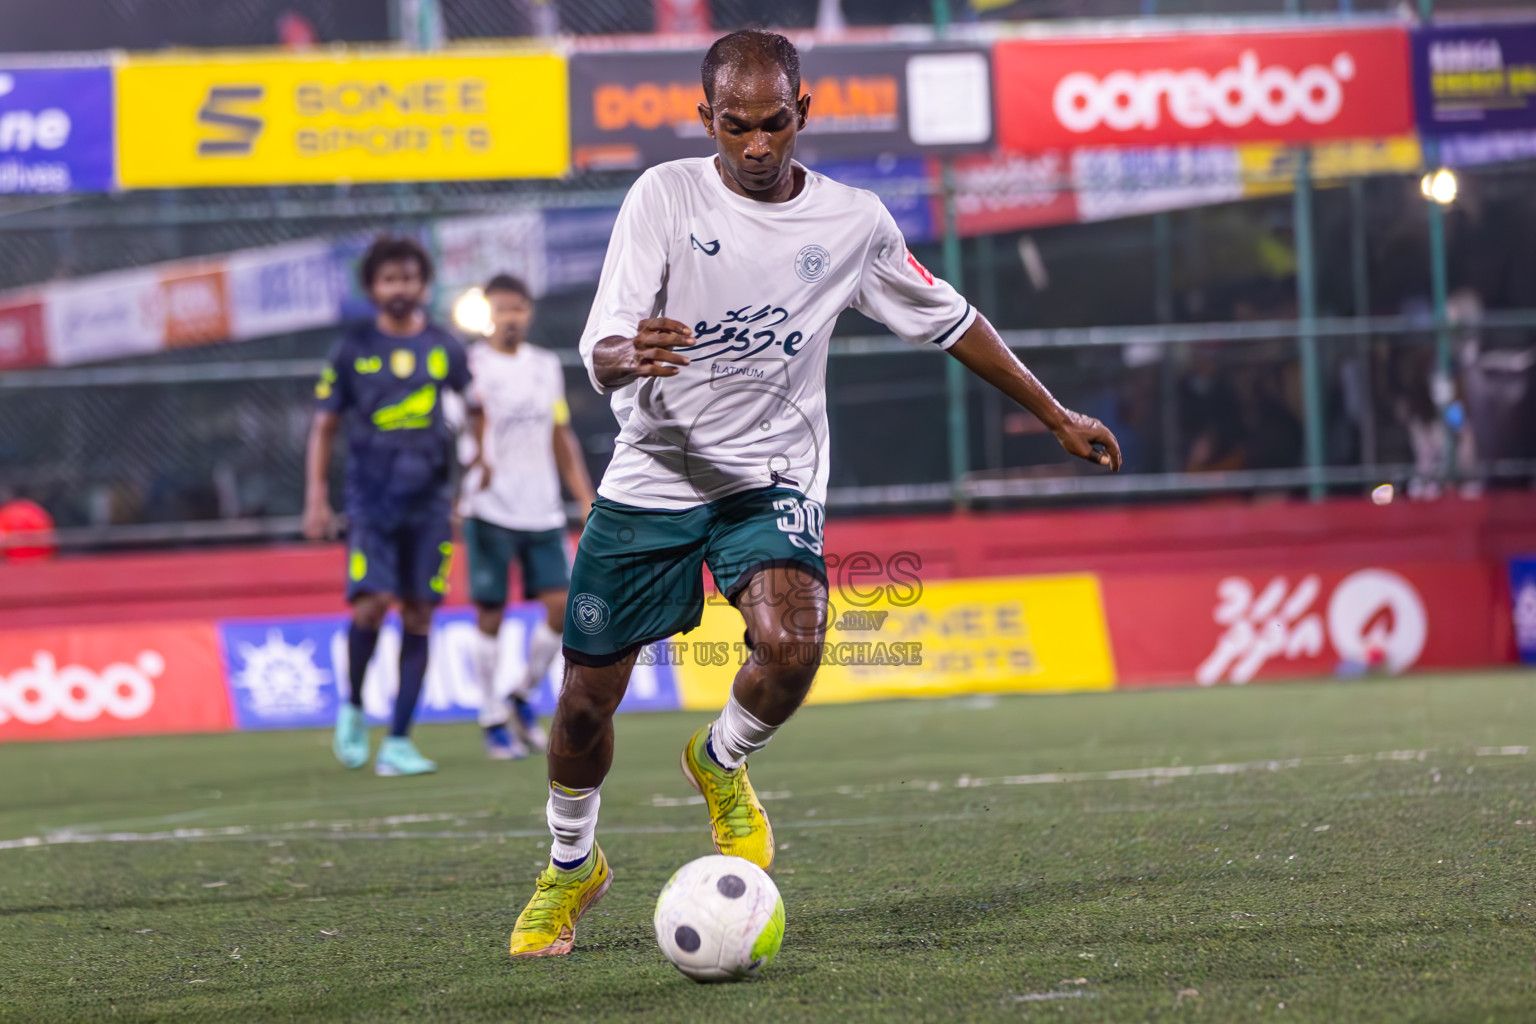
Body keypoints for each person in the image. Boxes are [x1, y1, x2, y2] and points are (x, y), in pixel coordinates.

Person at [507, 30, 1120, 958]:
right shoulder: (663, 196)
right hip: (655, 474)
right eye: (737, 127)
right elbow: (601, 346)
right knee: (586, 703)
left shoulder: (854, 222)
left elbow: (951, 318)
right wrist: (630, 351)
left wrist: (1054, 413)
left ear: (805, 113)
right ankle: (570, 865)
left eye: (775, 124)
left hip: (772, 476)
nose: (757, 147)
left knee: (793, 644)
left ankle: (719, 761)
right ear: (705, 118)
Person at [302, 236, 472, 777]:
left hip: (430, 504)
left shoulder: (446, 346)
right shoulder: (351, 350)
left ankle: (398, 741)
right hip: (371, 503)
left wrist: (470, 478)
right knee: (371, 605)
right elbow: (324, 427)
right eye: (389, 279)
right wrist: (316, 498)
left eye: (409, 278)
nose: (400, 287)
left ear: (424, 285)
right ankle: (353, 706)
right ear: (372, 287)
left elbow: (476, 412)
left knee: (420, 614)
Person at [459, 274, 596, 761]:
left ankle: (519, 694)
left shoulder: (544, 366)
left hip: (541, 509)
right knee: (490, 613)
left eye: (517, 308)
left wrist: (584, 495)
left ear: (528, 312)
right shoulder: (471, 365)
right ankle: (491, 715)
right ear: (488, 314)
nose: (509, 317)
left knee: (562, 610)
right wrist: (466, 475)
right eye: (501, 309)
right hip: (490, 508)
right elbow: (460, 428)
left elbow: (561, 432)